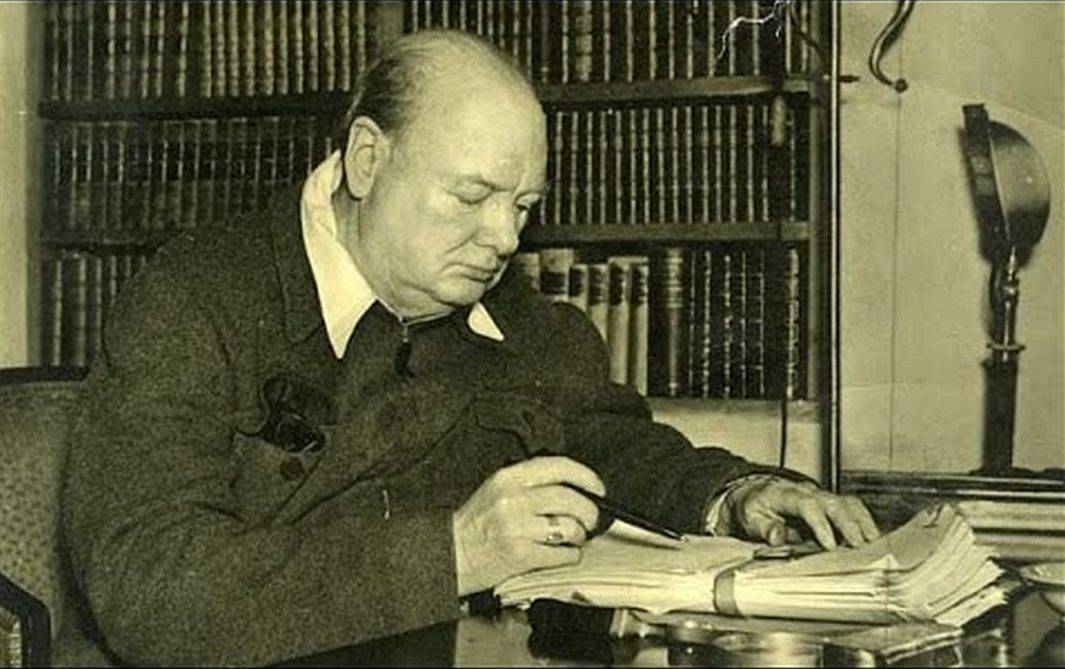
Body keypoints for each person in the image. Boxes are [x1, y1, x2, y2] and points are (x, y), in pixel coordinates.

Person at [59, 30, 878, 666]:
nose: (504, 239)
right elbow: (148, 589)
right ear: (367, 160)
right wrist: (453, 552)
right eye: (473, 195)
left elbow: (603, 439)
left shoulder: (506, 313)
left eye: (522, 206)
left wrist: (732, 494)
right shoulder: (193, 300)